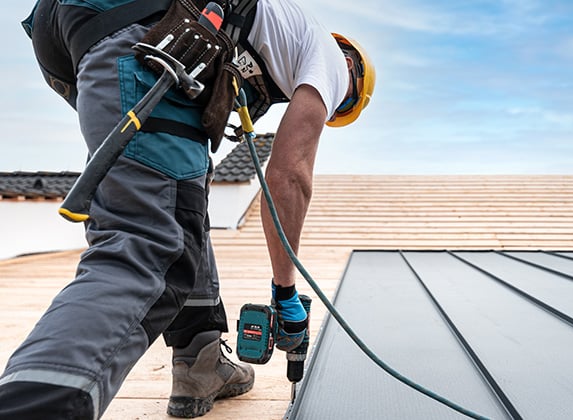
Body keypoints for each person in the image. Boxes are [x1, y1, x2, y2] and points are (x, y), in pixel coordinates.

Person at [0, 0, 374, 418]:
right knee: (148, 243)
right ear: (352, 78)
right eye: (337, 108)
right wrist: (284, 291)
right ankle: (33, 405)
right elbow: (289, 175)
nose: (329, 105)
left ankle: (201, 360)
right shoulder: (333, 63)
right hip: (141, 23)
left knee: (181, 202)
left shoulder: (275, 36)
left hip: (66, 34)